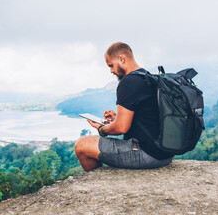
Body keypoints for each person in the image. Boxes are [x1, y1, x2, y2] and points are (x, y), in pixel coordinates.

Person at [74, 42, 173, 172]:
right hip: (165, 154)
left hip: (146, 154)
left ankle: (97, 184)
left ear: (121, 58)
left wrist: (101, 129)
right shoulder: (149, 77)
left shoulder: (128, 83)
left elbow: (121, 128)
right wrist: (117, 117)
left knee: (81, 145)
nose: (111, 71)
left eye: (111, 65)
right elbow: (148, 115)